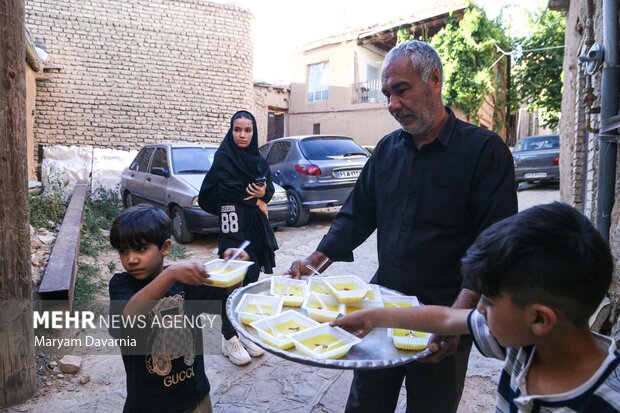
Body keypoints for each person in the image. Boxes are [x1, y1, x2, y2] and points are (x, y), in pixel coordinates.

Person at [287, 40, 518, 412]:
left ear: (435, 80)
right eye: (387, 94)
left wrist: (457, 318)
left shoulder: (485, 153)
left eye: (402, 90)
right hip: (382, 310)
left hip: (443, 313)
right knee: (366, 403)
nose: (392, 104)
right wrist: (313, 263)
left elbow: (495, 244)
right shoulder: (386, 150)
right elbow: (355, 216)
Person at [333, 202, 620, 412]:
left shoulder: (607, 403)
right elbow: (446, 317)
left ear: (540, 319)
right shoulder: (528, 342)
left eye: (490, 301)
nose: (479, 309)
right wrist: (373, 316)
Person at [108, 204, 250, 413]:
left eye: (140, 248)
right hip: (148, 404)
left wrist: (234, 268)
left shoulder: (183, 281)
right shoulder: (122, 285)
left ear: (165, 247)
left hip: (195, 397)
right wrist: (170, 274)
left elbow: (225, 295)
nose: (131, 259)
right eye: (123, 251)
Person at [198, 110, 278, 365]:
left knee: (251, 277)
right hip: (232, 222)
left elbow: (269, 187)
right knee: (232, 279)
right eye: (237, 129)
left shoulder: (257, 159)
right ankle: (228, 338)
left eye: (247, 130)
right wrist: (257, 198)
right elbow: (225, 188)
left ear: (254, 133)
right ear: (231, 130)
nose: (242, 135)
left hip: (254, 224)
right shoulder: (224, 157)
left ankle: (241, 330)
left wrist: (264, 192)